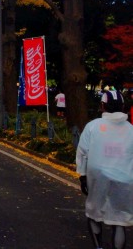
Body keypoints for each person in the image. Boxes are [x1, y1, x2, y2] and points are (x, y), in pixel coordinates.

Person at [77, 87, 133, 249]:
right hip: (125, 179)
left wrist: (82, 175)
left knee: (94, 214)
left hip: (98, 177)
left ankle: (99, 247)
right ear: (123, 107)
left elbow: (82, 152)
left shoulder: (93, 126)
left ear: (102, 106)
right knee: (119, 220)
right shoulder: (131, 130)